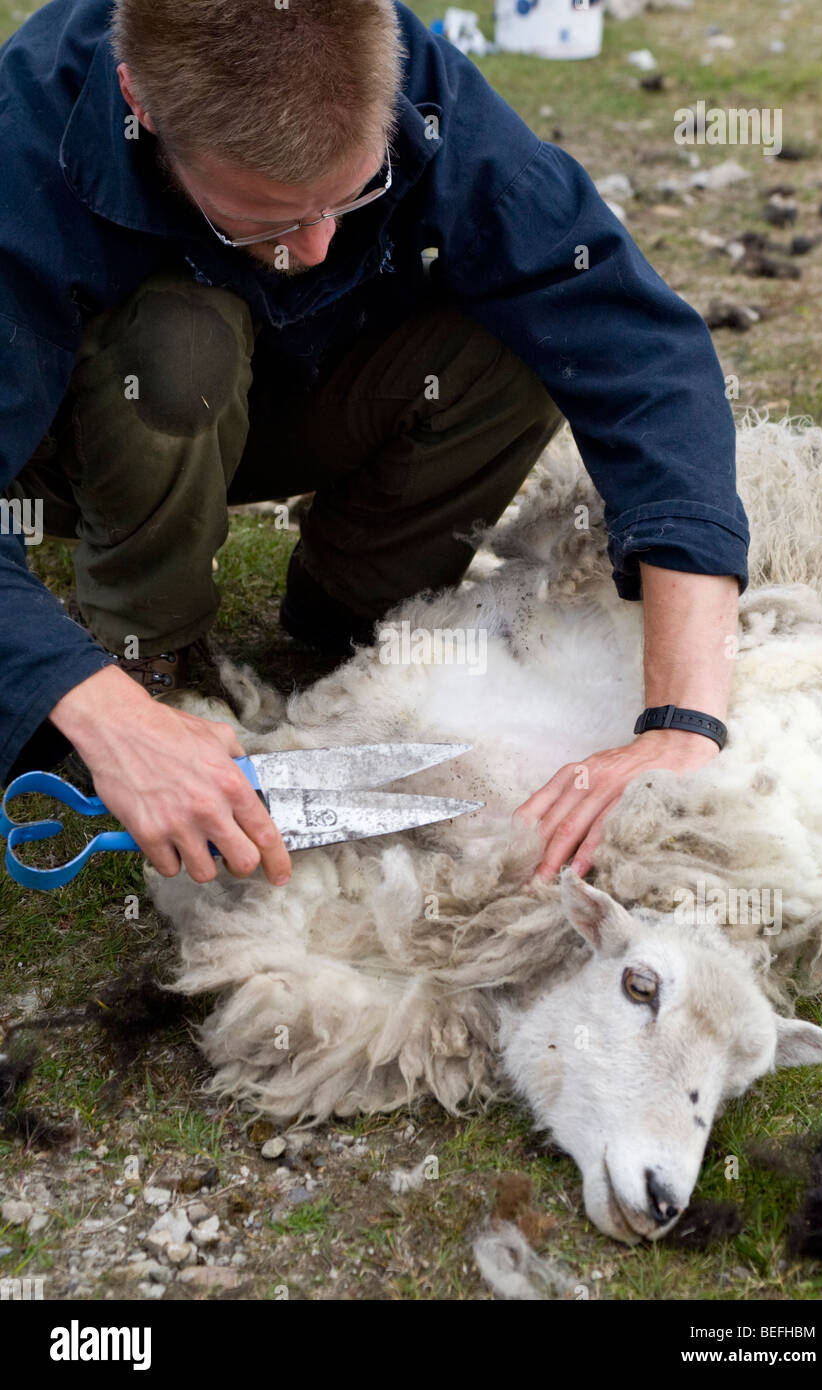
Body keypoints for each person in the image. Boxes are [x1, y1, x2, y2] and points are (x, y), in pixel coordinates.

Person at [0, 0, 747, 890]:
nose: (316, 248)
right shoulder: (22, 137)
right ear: (143, 105)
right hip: (75, 440)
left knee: (527, 330)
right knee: (179, 345)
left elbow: (633, 344)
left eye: (349, 198)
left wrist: (683, 720)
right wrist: (104, 712)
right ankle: (149, 656)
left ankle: (351, 608)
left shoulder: (420, 85)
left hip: (290, 396)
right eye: (265, 219)